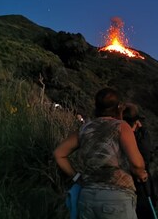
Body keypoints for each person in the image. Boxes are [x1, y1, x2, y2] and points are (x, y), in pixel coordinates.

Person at [54, 87, 148, 219]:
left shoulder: (85, 128)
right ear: (118, 106)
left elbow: (59, 153)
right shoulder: (121, 126)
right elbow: (137, 164)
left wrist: (77, 178)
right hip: (116, 199)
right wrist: (142, 173)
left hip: (86, 198)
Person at [123, 103, 157, 219]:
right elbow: (145, 158)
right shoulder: (140, 138)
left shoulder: (117, 134)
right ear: (136, 122)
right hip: (140, 184)